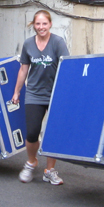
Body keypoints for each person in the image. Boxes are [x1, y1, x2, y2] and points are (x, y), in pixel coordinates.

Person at [11, 10, 70, 185]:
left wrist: (66, 93)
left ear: (50, 24)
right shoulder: (28, 44)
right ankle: (31, 161)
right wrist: (16, 92)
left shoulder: (58, 42)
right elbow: (23, 70)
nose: (41, 27)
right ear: (33, 25)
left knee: (52, 133)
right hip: (34, 94)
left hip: (55, 94)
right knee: (31, 133)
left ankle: (49, 170)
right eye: (38, 24)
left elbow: (67, 67)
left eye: (44, 23)